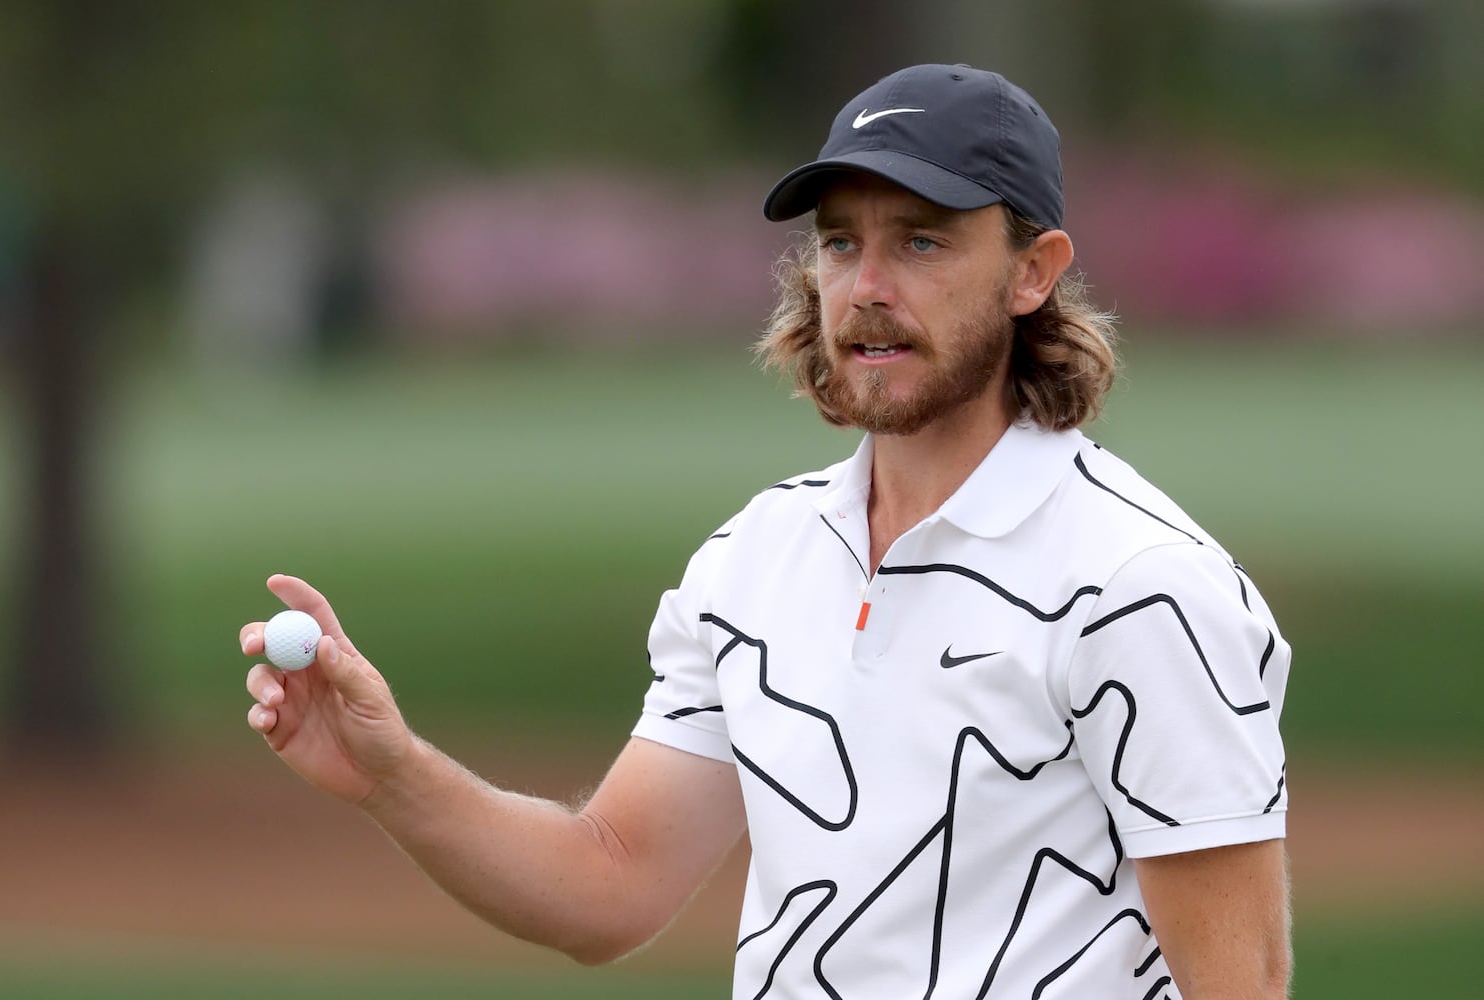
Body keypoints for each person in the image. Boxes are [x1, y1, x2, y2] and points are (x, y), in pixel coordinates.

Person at [241, 64, 1292, 998]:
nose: (868, 287)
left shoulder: (1143, 585)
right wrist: (391, 773)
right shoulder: (756, 558)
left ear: (1032, 270)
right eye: (841, 242)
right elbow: (608, 879)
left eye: (921, 240)